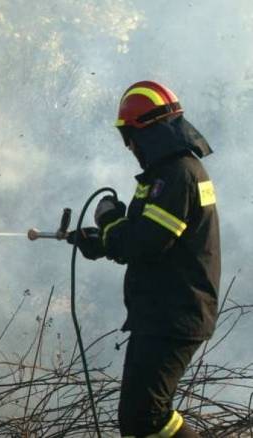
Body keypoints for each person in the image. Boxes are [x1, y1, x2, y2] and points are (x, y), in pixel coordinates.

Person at [69, 80, 220, 437]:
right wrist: (102, 241)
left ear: (149, 131)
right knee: (138, 419)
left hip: (174, 314)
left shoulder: (178, 175)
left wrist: (109, 222)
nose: (129, 146)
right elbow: (142, 236)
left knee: (147, 417)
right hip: (161, 312)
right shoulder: (166, 175)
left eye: (129, 136)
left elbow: (144, 244)